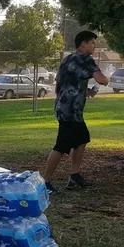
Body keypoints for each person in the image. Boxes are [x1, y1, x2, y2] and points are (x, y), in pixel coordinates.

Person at [42, 31, 109, 193]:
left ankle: (74, 175)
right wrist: (104, 78)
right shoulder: (85, 59)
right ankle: (45, 182)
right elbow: (102, 80)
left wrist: (86, 92)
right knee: (61, 145)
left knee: (82, 139)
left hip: (65, 107)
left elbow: (62, 84)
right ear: (83, 44)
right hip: (70, 111)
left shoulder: (67, 59)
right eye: (92, 43)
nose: (94, 46)